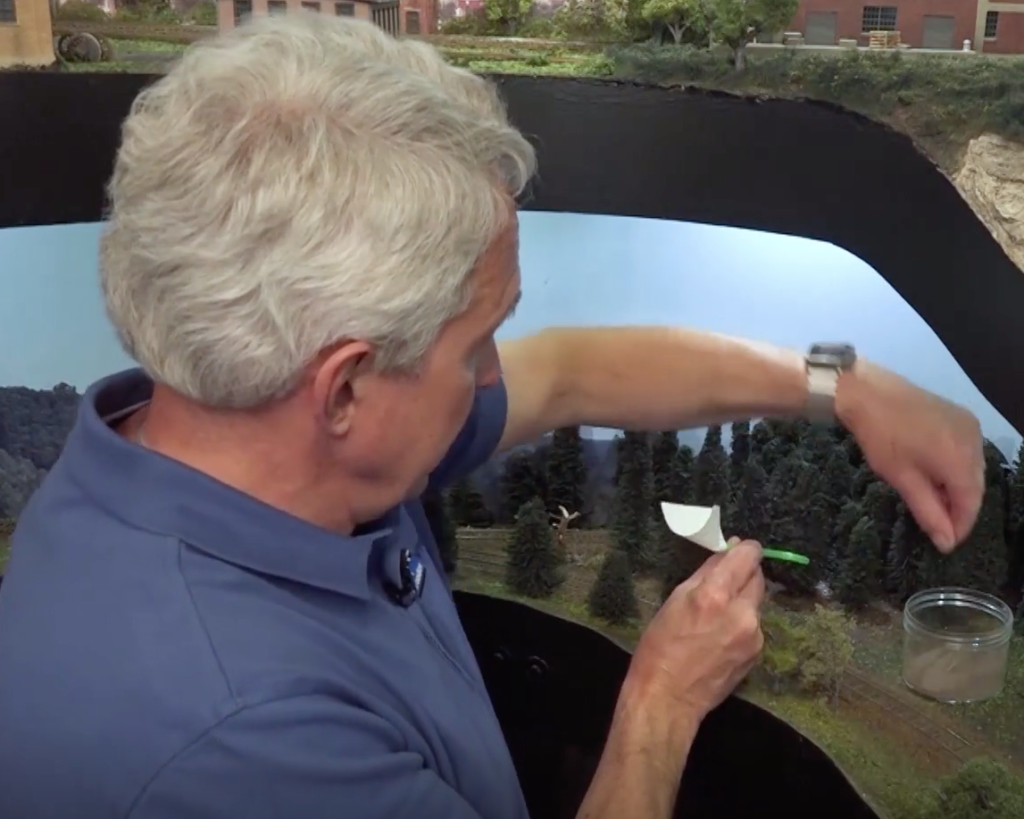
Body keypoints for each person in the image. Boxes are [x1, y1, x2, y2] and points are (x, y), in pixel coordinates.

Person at [0, 15, 983, 819]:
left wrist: (846, 384)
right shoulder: (242, 745)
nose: (494, 377)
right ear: (343, 390)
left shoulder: (237, 435)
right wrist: (662, 703)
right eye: (476, 345)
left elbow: (571, 374)